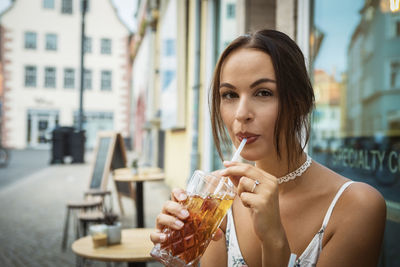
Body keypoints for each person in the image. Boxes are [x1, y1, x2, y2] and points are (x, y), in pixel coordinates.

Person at [150, 29, 386, 266]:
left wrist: (274, 241)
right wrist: (180, 258)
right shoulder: (217, 202)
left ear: (300, 103)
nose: (241, 114)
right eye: (229, 94)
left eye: (263, 93)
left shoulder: (357, 207)